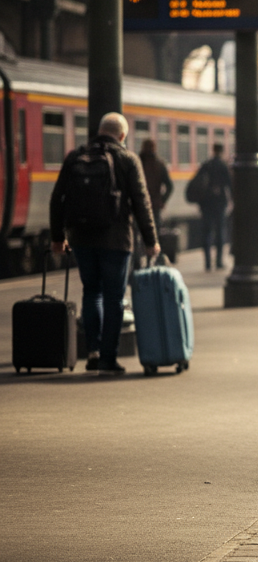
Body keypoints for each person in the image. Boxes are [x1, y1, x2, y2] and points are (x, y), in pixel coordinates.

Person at [49, 112, 159, 375]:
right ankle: (108, 359)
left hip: (82, 237)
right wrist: (151, 240)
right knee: (114, 298)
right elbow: (141, 202)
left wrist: (58, 237)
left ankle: (93, 352)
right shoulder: (127, 159)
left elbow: (57, 199)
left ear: (99, 131)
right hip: (116, 239)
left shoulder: (75, 157)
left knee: (91, 293)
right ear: (122, 135)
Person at [191, 143, 232, 271]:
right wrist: (232, 200)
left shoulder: (206, 165)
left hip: (206, 203)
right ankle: (219, 261)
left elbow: (197, 182)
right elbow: (230, 184)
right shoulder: (223, 166)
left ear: (213, 150)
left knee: (207, 232)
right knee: (220, 232)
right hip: (219, 203)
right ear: (222, 151)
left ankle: (207, 262)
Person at [139, 139, 173, 234]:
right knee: (154, 231)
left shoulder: (137, 163)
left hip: (139, 203)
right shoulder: (160, 164)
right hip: (155, 203)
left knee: (138, 230)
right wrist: (162, 200)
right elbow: (169, 186)